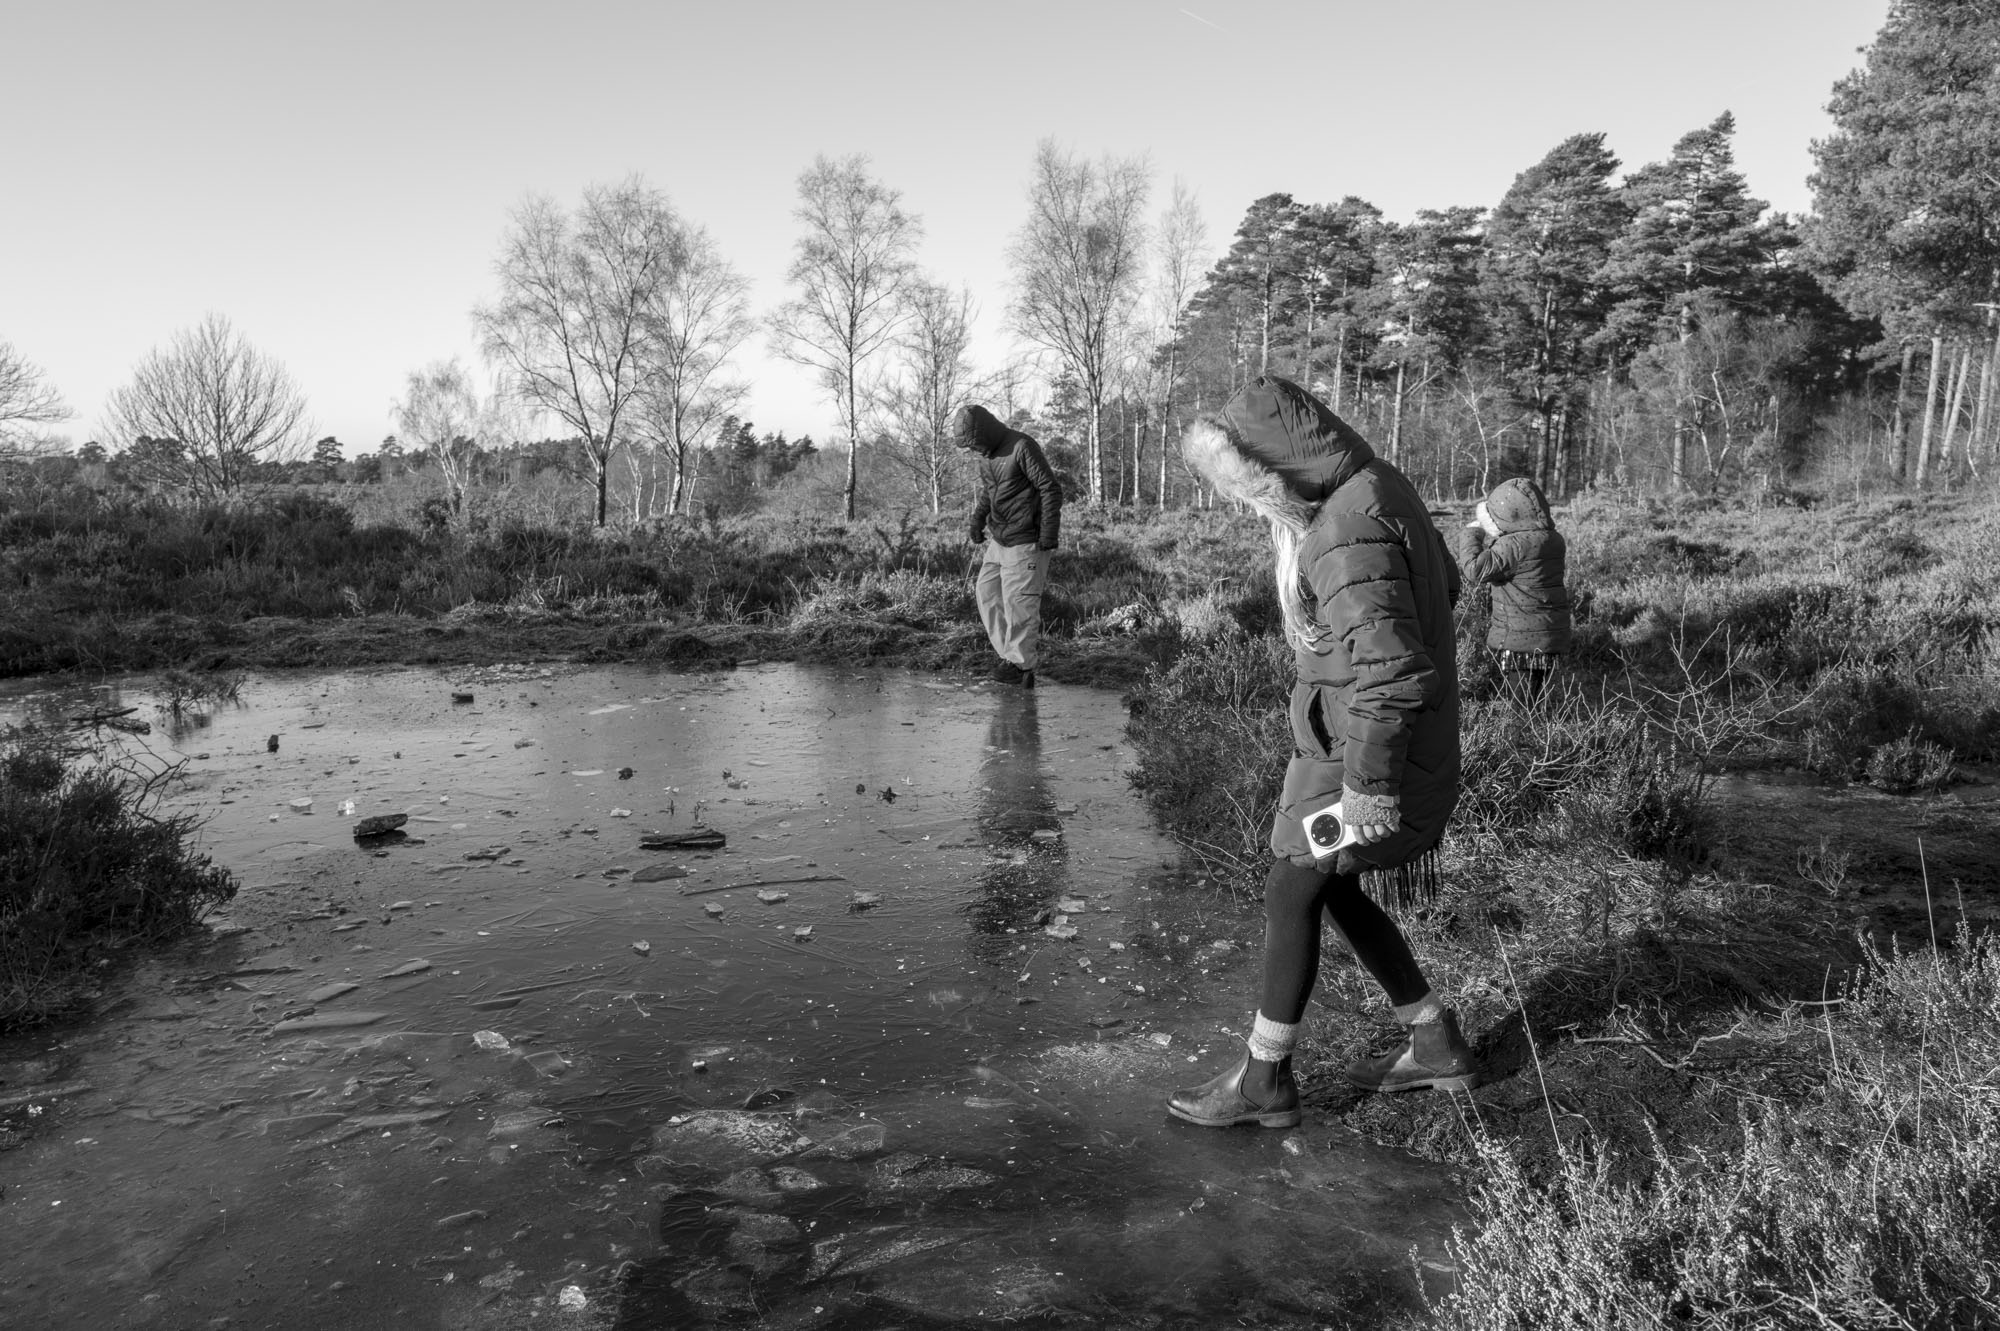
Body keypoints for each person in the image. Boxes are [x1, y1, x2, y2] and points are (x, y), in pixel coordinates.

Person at [1167, 377, 1476, 1130]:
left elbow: (1392, 671)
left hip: (1365, 762)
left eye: (1245, 487)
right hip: (1369, 746)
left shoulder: (1342, 527)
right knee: (1325, 886)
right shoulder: (1377, 487)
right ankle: (1434, 1040)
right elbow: (1447, 585)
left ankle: (1266, 1079)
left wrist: (1368, 786)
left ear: (1275, 468)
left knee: (1290, 885)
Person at [953, 404, 1063, 688]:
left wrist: (1048, 536)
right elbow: (991, 494)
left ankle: (1022, 667)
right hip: (1000, 539)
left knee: (1020, 603)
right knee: (986, 593)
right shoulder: (987, 456)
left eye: (973, 444)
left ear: (984, 433)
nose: (973, 451)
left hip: (1026, 540)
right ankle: (1010, 658)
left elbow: (1050, 488)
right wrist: (977, 521)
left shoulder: (1022, 446)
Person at [1461, 477, 1572, 701]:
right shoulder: (1552, 539)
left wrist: (1472, 534)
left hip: (1522, 641)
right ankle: (1539, 729)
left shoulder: (1513, 545)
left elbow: (1474, 570)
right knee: (1534, 693)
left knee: (1519, 702)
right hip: (1549, 634)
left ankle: (1520, 734)